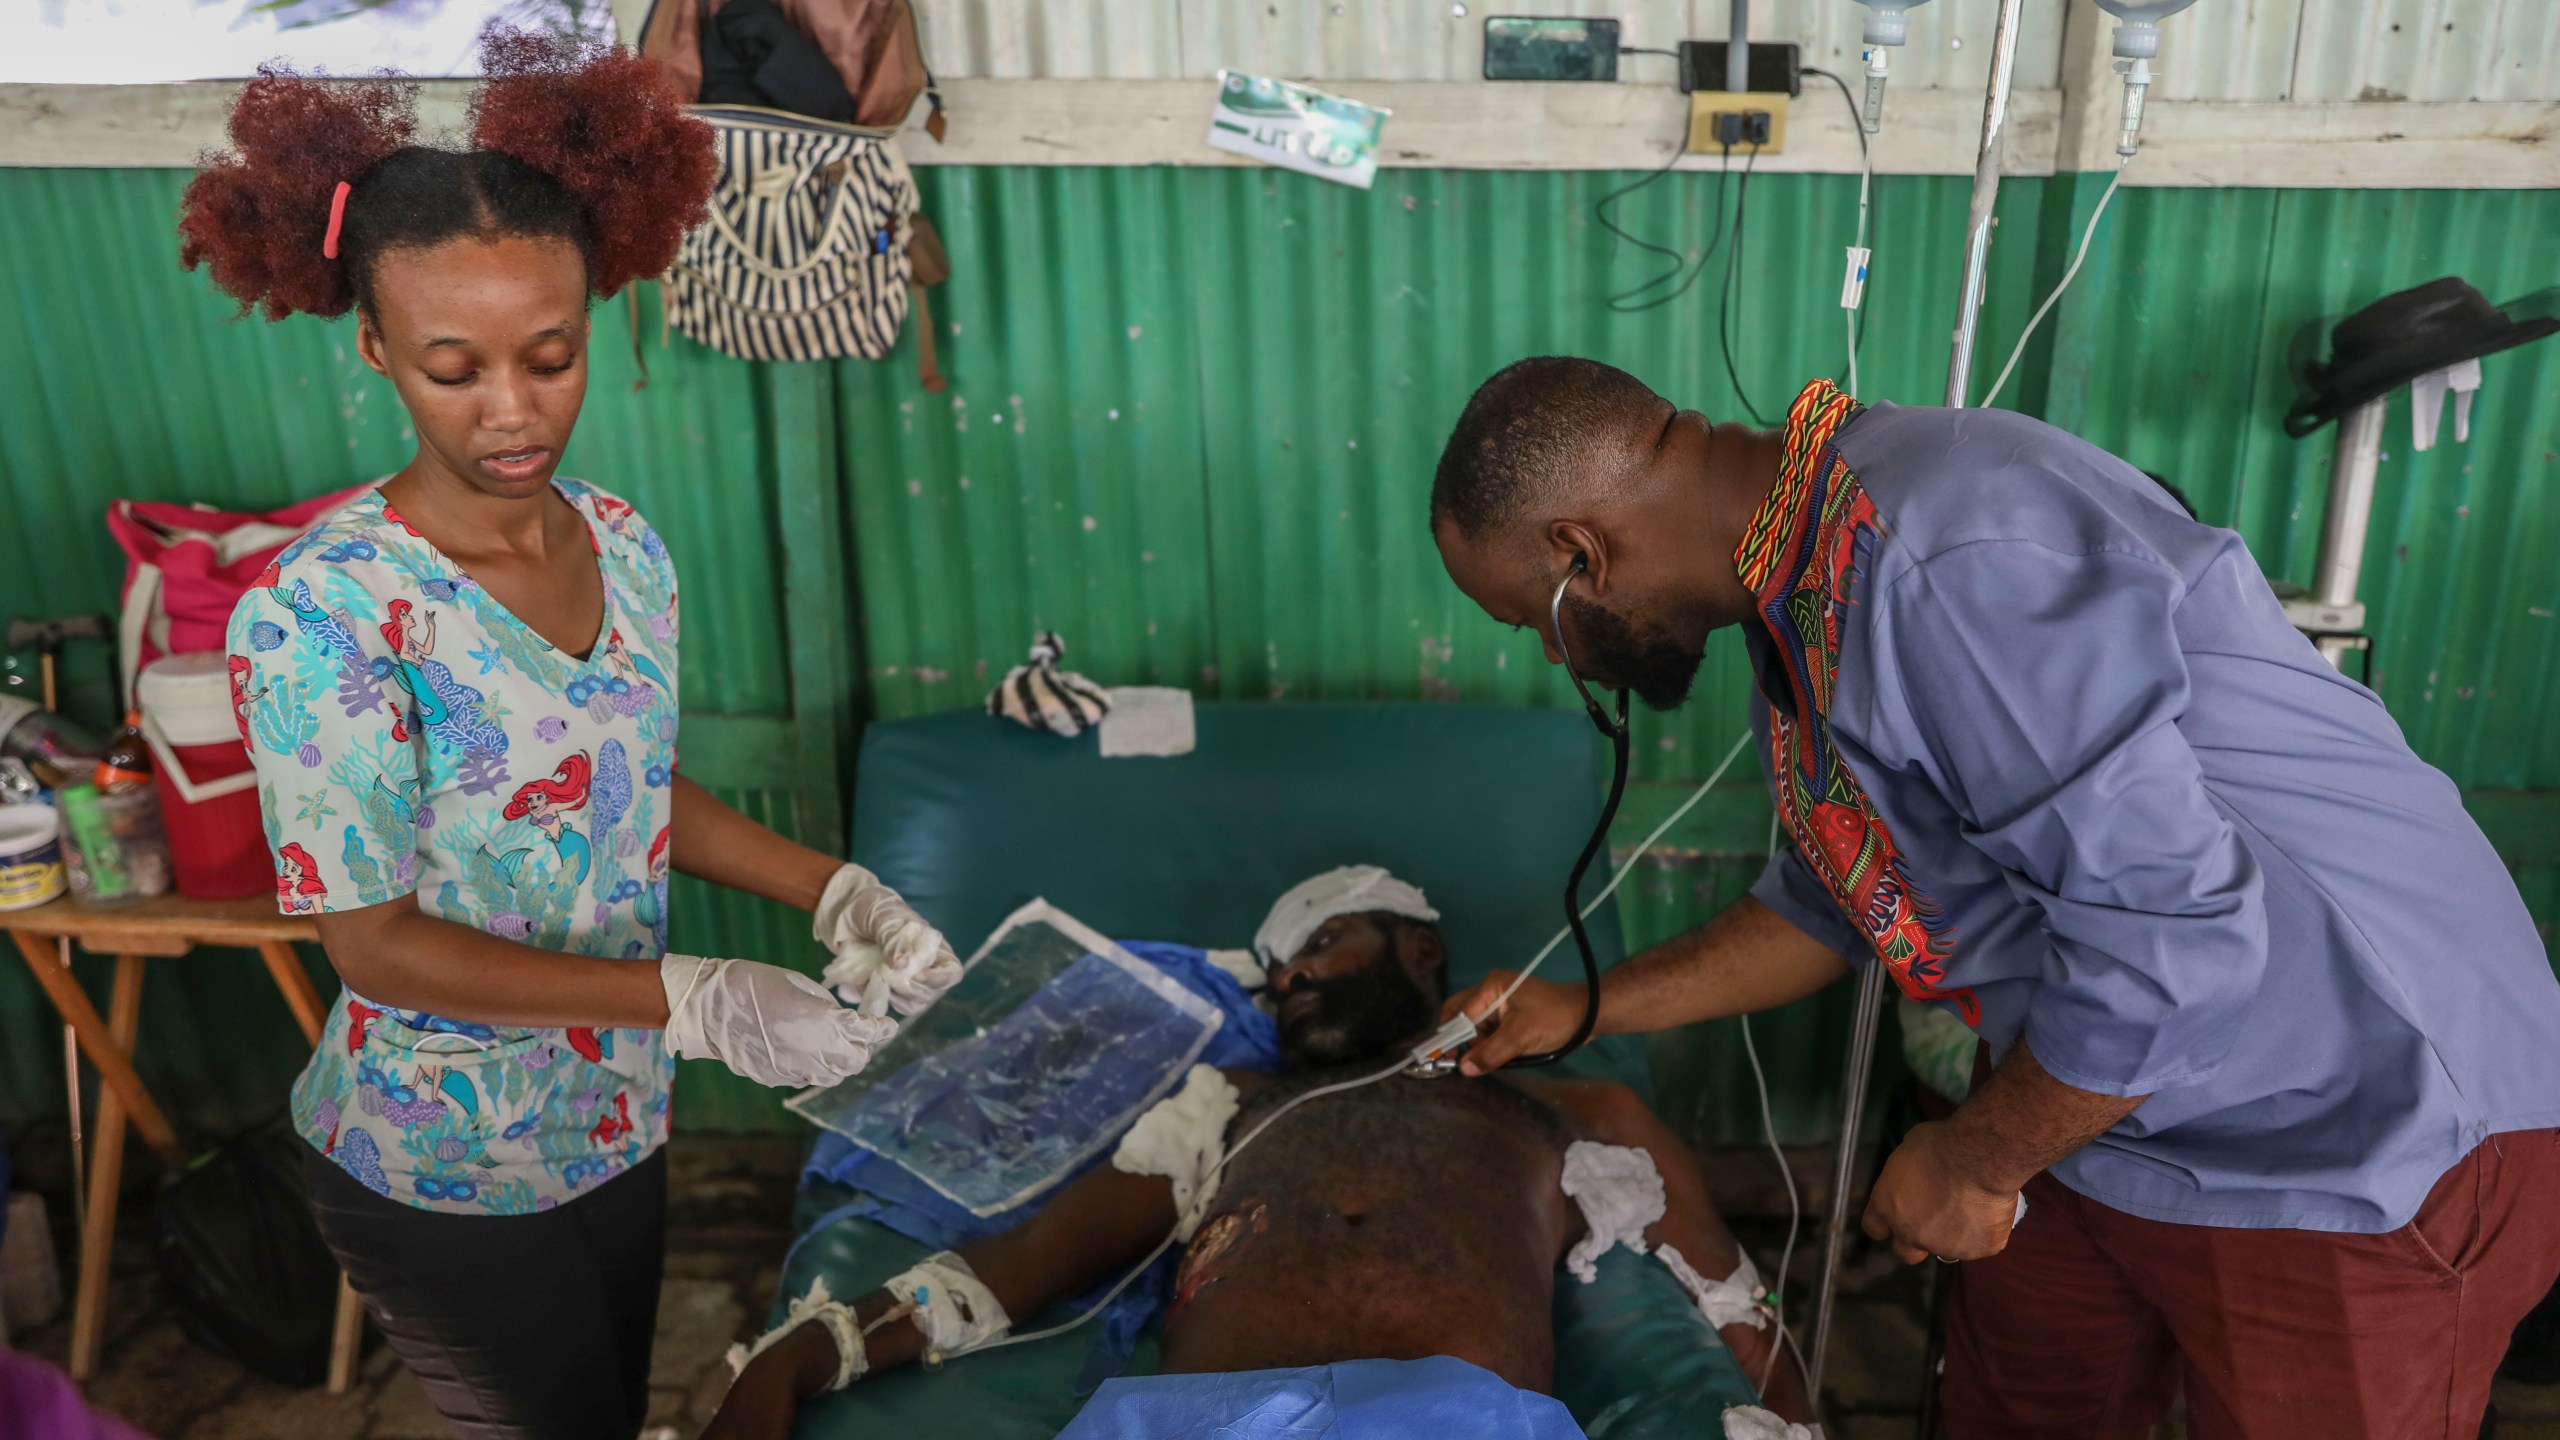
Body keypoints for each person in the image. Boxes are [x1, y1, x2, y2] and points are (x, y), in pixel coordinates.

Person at [1427, 357, 2560, 1438]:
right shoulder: (1805, 586)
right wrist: (1582, 1007)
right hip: (2099, 1101)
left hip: (2351, 1122)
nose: (1548, 655)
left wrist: (1974, 1162)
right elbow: (1842, 902)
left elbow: (2171, 933)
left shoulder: (1936, 555)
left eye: (1530, 619)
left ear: (1582, 551)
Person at [191, 37, 962, 1440]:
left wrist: (831, 890)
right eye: (452, 367)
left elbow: (627, 791)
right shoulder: (325, 613)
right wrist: (700, 998)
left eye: (550, 356)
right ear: (374, 348)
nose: (510, 410)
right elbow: (372, 945)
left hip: (616, 1111)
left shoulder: (623, 544)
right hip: (441, 1165)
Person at [704, 870, 1815, 1437]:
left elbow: (1735, 1313)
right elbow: (1018, 1271)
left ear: (1419, 948)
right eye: (1278, 968)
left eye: (1323, 942)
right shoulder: (1229, 1107)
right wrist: (810, 1353)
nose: (1290, 978)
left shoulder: (1574, 1111)